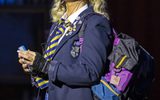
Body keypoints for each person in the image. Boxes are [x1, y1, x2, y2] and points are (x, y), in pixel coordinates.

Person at [18, 0, 113, 100]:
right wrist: (37, 68)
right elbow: (54, 72)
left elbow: (90, 72)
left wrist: (45, 66)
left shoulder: (95, 22)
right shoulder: (57, 26)